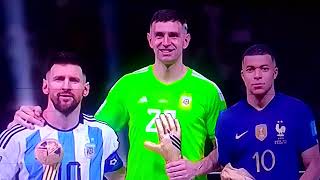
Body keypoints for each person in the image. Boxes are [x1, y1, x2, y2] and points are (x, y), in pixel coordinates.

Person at [7, 9, 227, 180]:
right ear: (150, 40)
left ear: (185, 40)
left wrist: (195, 168)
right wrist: (32, 119)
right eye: (159, 35)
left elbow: (226, 150)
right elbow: (88, 129)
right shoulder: (128, 85)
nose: (166, 42)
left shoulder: (208, 90)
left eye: (173, 35)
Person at [1, 52, 124, 179]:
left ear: (85, 89)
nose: (66, 86)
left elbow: (118, 175)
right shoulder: (17, 137)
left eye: (74, 80)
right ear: (45, 86)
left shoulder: (102, 134)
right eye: (59, 79)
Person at [215, 44, 319, 179]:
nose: (257, 75)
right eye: (250, 69)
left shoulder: (298, 111)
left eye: (264, 69)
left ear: (275, 73)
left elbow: (315, 164)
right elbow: (226, 169)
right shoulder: (227, 119)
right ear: (242, 75)